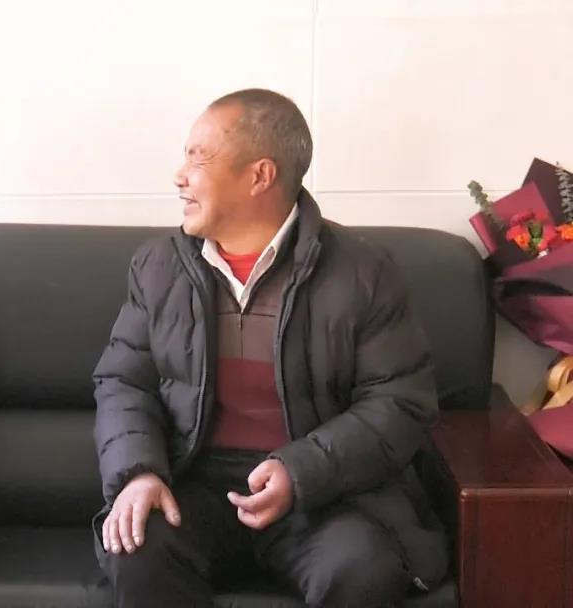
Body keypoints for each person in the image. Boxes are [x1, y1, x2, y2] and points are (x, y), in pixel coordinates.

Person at [93, 89, 447, 607]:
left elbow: (399, 402)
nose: (179, 176)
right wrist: (139, 471)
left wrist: (300, 472)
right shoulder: (158, 267)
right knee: (137, 549)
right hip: (195, 480)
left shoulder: (363, 272)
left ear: (259, 176)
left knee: (362, 568)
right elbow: (124, 383)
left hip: (322, 492)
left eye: (198, 158)